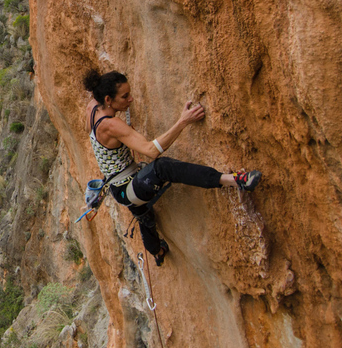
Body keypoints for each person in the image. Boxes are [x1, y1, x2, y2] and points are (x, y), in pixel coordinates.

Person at [82, 69, 262, 266]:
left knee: (144, 214)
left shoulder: (93, 108)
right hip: (126, 189)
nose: (131, 100)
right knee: (162, 168)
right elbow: (151, 151)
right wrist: (183, 121)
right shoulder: (111, 125)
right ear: (108, 99)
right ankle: (232, 180)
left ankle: (157, 252)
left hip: (123, 185)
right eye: (125, 96)